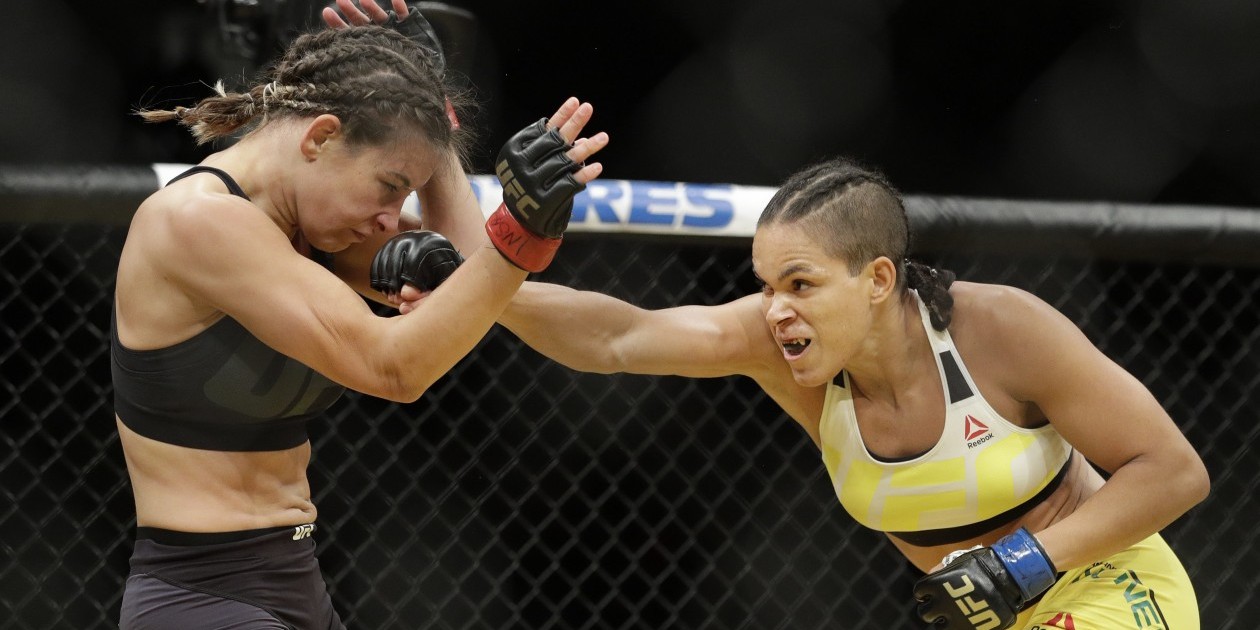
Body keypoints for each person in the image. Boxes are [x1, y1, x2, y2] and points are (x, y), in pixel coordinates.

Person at [377, 157, 1208, 628]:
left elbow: (1173, 471)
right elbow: (616, 337)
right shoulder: (774, 344)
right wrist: (483, 288)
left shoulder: (999, 330)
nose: (776, 309)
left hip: (1104, 583)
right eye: (765, 284)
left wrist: (1028, 561)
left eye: (801, 284)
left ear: (877, 279)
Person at [111, 9, 609, 628]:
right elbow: (393, 367)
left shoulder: (311, 224)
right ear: (320, 137)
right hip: (201, 598)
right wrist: (521, 232)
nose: (389, 218)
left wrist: (433, 105)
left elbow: (472, 282)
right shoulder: (194, 222)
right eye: (390, 186)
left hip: (299, 583)